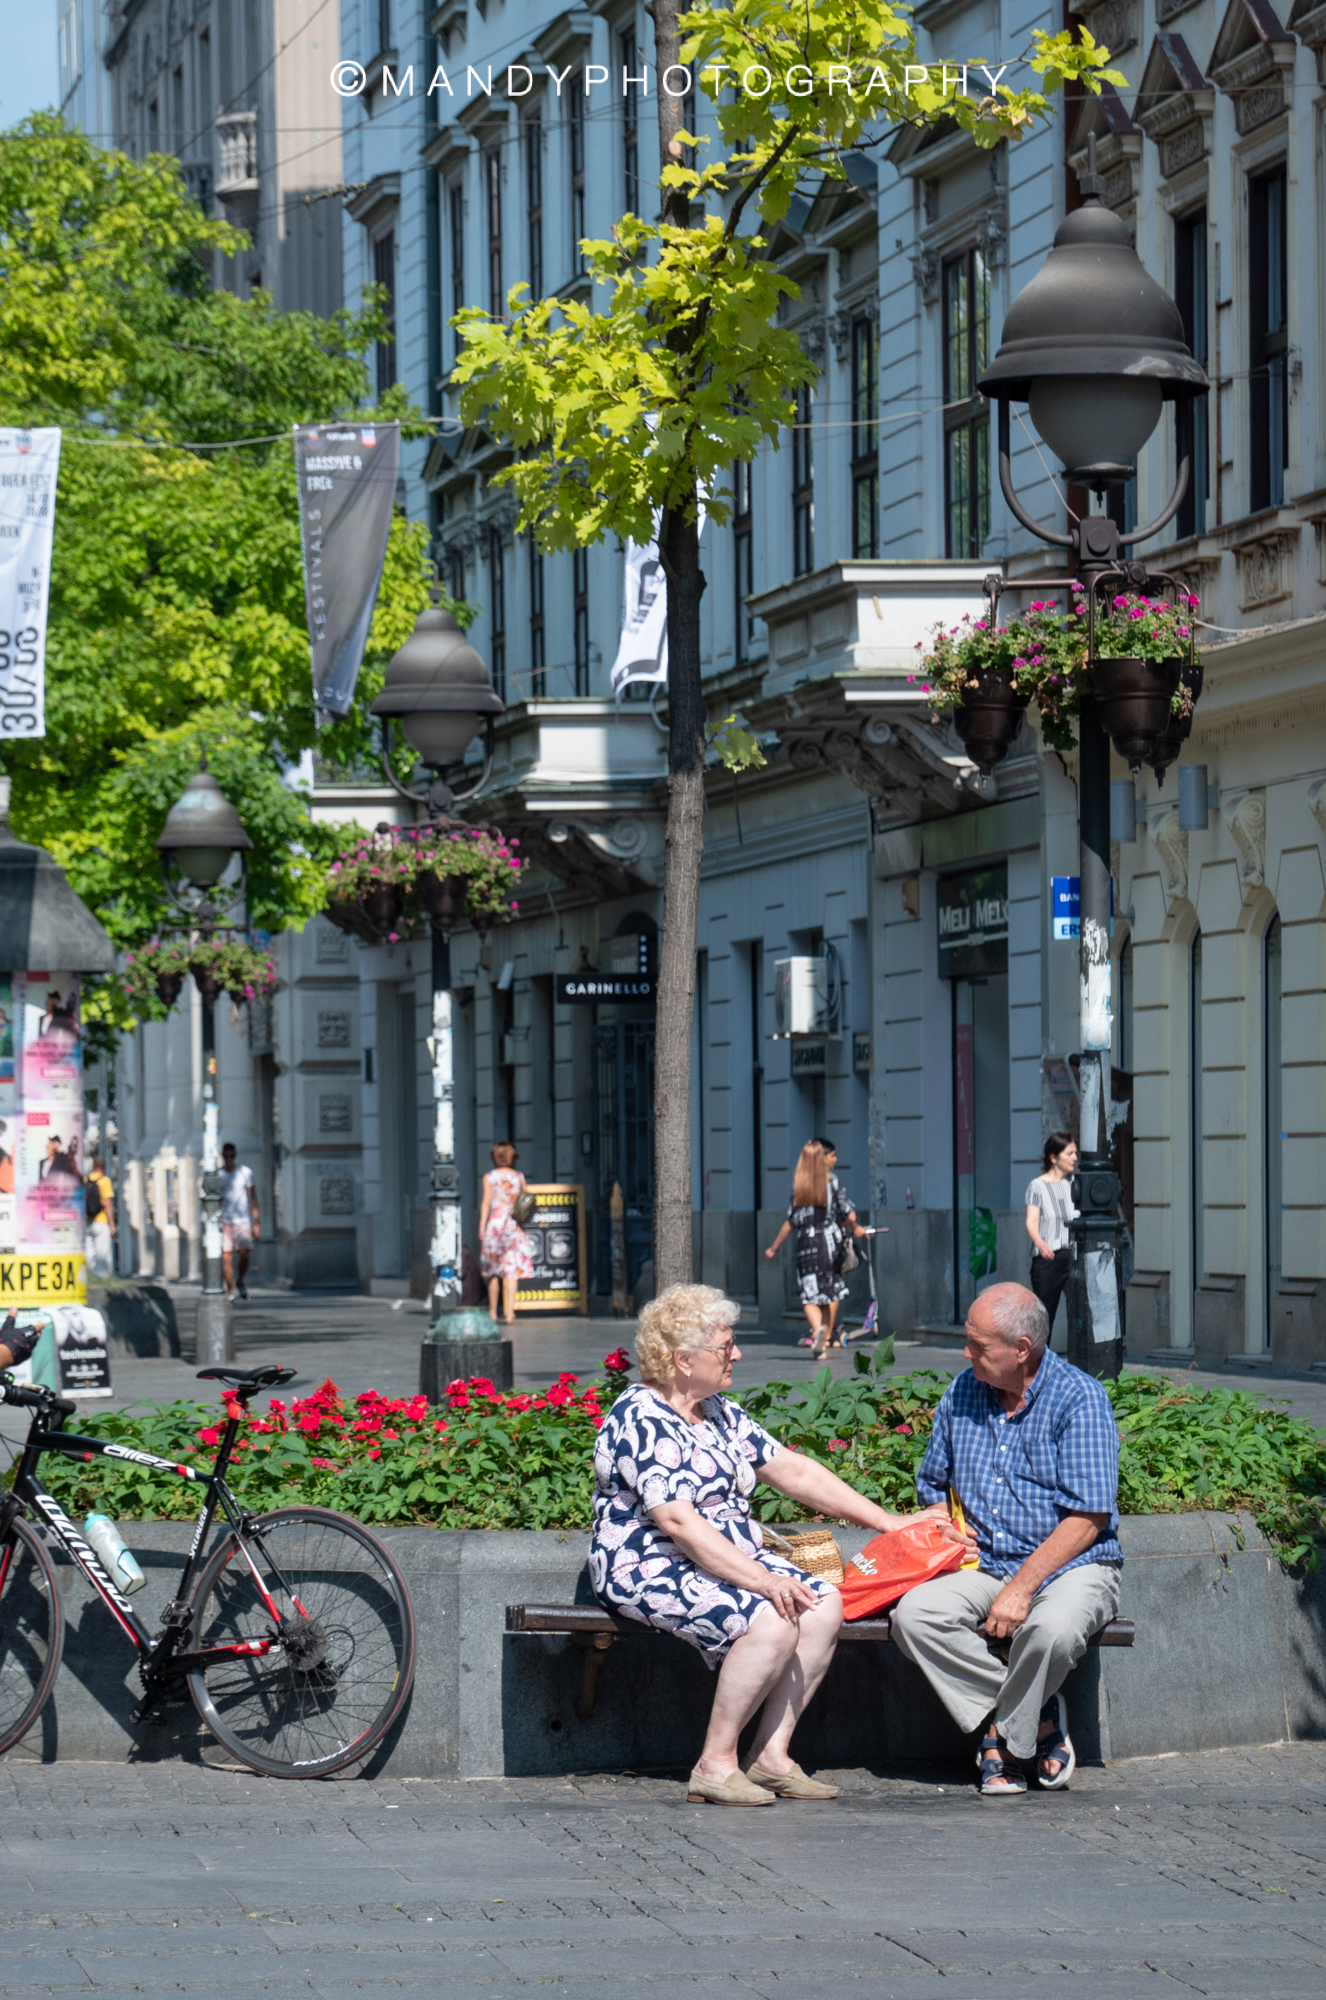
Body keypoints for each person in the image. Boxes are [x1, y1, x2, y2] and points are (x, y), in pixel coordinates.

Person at [590, 1283, 967, 1806]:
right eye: (726, 1346)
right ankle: (714, 1764)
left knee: (822, 1603)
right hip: (651, 1562)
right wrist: (764, 1580)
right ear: (682, 1359)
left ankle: (770, 1757)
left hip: (723, 1558)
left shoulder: (717, 1410)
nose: (737, 1354)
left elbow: (791, 1470)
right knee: (769, 1617)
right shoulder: (641, 1418)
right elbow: (678, 1523)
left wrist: (888, 1521)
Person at [889, 1282, 1122, 1798]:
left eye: (978, 1345)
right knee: (914, 1618)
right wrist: (941, 1523)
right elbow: (933, 1485)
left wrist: (1022, 1586)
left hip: (1073, 1563)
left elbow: (1087, 1518)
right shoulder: (963, 1390)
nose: (965, 1353)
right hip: (982, 1561)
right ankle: (1034, 1719)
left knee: (1051, 1631)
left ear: (1022, 1348)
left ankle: (1002, 1742)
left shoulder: (1079, 1398)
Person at [763, 1139, 866, 1358]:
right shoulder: (833, 1183)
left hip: (805, 1244)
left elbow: (790, 1221)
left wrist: (773, 1247)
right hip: (829, 1244)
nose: (835, 1159)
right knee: (831, 1292)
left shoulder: (799, 1186)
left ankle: (818, 1331)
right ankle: (826, 1335)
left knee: (809, 1295)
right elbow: (849, 1215)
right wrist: (855, 1226)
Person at [1025, 1133, 1079, 1337]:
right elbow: (1031, 1221)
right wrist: (1040, 1243)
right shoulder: (1037, 1186)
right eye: (1069, 1153)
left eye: (1076, 1153)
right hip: (1049, 1258)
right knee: (1045, 1317)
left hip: (1073, 1257)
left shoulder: (1074, 1184)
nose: (1075, 1157)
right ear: (1053, 1157)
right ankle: (1038, 1364)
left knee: (1080, 1312)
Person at [479, 1141, 533, 1325]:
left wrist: (481, 1225)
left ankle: (493, 1312)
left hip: (495, 1226)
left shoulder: (489, 1177)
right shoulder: (519, 1177)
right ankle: (510, 1313)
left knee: (493, 1272)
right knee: (511, 1272)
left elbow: (486, 1203)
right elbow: (527, 1199)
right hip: (513, 1227)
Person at [219, 1142, 261, 1302]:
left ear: (235, 1156)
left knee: (244, 1255)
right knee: (226, 1256)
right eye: (226, 1156)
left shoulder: (245, 1172)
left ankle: (240, 1280)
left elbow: (253, 1198)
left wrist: (256, 1222)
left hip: (242, 1220)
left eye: (231, 1156)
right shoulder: (218, 1175)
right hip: (225, 1221)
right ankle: (230, 1291)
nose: (229, 1159)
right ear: (222, 1157)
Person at [85, 1154, 116, 1278]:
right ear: (104, 1167)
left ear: (93, 1166)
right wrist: (112, 1224)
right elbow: (107, 1203)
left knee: (89, 1253)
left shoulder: (85, 1180)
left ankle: (90, 1277)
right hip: (101, 1221)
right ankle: (103, 1279)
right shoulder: (105, 1181)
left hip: (87, 1222)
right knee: (102, 1252)